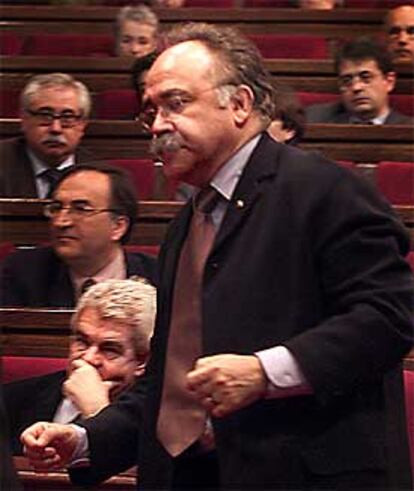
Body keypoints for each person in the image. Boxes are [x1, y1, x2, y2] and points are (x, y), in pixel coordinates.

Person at [21, 23, 413, 490]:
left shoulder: (324, 189)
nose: (160, 125)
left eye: (176, 103)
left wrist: (265, 372)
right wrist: (86, 439)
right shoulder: (187, 224)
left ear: (240, 104)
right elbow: (173, 382)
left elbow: (391, 315)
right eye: (151, 112)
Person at [3, 278, 156, 456]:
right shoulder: (12, 401)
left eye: (109, 349)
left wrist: (97, 411)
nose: (88, 358)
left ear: (142, 360)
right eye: (82, 342)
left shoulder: (159, 419)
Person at [0, 162, 157, 307]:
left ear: (118, 226)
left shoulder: (158, 277)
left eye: (81, 209)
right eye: (56, 207)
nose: (61, 222)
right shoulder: (23, 272)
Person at [0, 73, 93, 198]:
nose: (56, 128)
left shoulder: (99, 174)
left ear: (82, 125)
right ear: (24, 119)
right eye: (45, 115)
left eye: (67, 117)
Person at [306, 37, 412, 124]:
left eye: (366, 78)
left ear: (389, 82)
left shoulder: (409, 128)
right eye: (347, 80)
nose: (356, 87)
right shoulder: (314, 119)